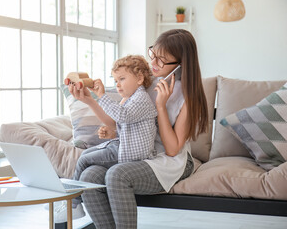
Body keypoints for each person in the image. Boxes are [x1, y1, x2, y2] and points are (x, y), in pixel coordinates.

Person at [68, 29, 208, 228]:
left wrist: (160, 105)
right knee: (89, 176)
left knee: (117, 175)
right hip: (139, 153)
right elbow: (117, 121)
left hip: (169, 161)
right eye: (153, 55)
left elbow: (172, 149)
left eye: (162, 60)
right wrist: (90, 101)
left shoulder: (188, 97)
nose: (154, 64)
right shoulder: (146, 82)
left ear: (180, 64)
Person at [54, 55, 158, 223]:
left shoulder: (141, 99)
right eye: (115, 80)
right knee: (87, 161)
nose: (117, 84)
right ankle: (73, 201)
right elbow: (121, 124)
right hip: (123, 147)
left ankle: (73, 203)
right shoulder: (130, 99)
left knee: (84, 158)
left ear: (139, 78)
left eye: (122, 79)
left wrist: (101, 95)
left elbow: (122, 116)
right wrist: (111, 131)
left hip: (129, 153)